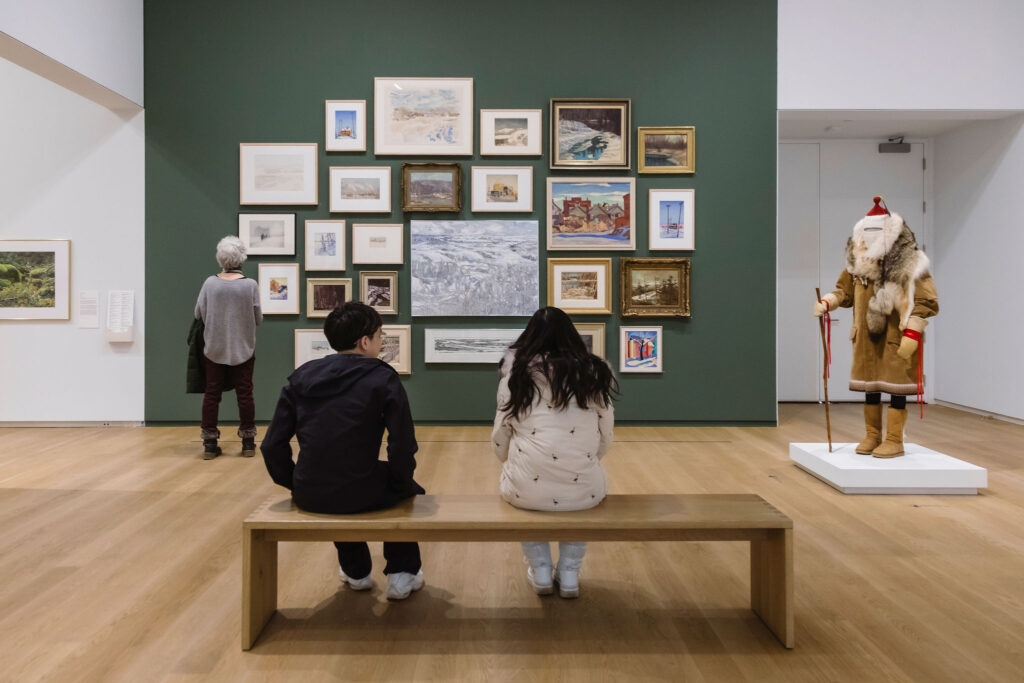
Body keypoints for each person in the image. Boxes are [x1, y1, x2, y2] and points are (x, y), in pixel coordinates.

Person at [260, 302, 426, 600]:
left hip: (311, 490)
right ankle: (403, 573)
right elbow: (402, 444)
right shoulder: (383, 377)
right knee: (403, 488)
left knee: (338, 478)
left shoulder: (302, 377)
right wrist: (402, 483)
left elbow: (272, 445)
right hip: (362, 487)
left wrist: (296, 481)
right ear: (365, 342)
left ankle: (356, 571)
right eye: (379, 336)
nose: (380, 341)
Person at [492, 307, 616, 598]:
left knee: (527, 492)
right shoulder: (593, 376)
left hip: (526, 488)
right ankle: (570, 574)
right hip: (584, 487)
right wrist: (586, 461)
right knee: (582, 492)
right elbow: (606, 435)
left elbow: (500, 437)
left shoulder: (516, 377)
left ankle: (541, 570)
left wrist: (514, 462)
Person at [813, 197, 939, 457]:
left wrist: (913, 331)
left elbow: (927, 300)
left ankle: (894, 439)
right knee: (870, 387)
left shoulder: (910, 261)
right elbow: (844, 292)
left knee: (895, 386)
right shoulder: (856, 263)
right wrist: (828, 301)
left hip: (897, 335)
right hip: (866, 338)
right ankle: (872, 435)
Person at [194, 236, 262, 459]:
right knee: (245, 393)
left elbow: (198, 313)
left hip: (214, 348)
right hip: (243, 349)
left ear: (220, 257)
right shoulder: (250, 285)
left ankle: (210, 444)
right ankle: (248, 443)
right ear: (242, 257)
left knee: (212, 393)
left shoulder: (210, 283)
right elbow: (258, 318)